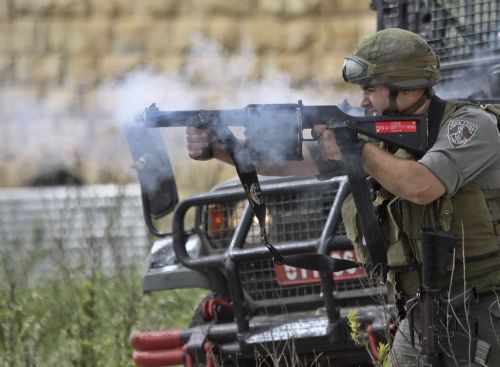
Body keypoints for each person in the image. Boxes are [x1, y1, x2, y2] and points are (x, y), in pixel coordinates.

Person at [186, 28, 500, 366]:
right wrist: (222, 148)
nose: (363, 101)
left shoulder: (469, 126)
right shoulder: (382, 133)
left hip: (483, 310)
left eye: (370, 90)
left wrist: (357, 150)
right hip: (424, 312)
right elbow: (294, 162)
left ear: (404, 86)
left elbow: (422, 185)